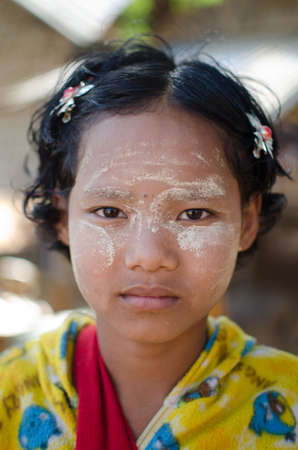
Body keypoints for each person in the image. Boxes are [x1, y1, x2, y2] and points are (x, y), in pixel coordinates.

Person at [0, 37, 297, 450]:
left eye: (194, 213)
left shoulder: (287, 403)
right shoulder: (11, 395)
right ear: (62, 217)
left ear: (246, 222)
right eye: (110, 211)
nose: (150, 257)